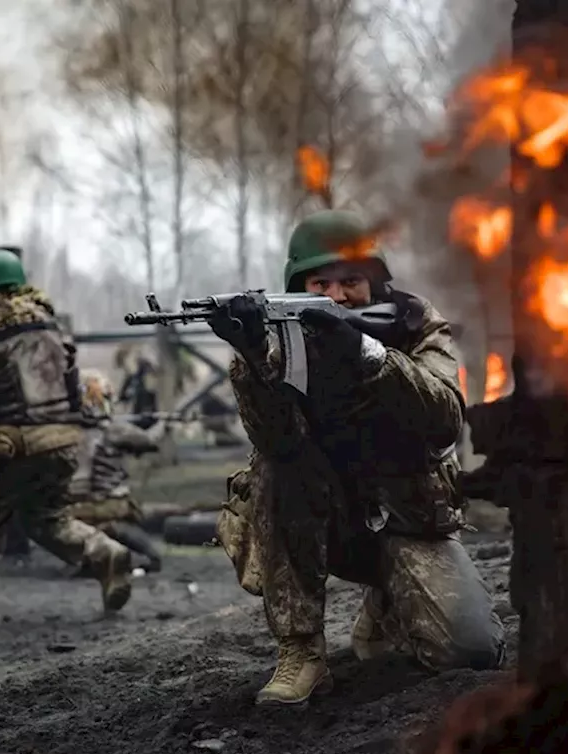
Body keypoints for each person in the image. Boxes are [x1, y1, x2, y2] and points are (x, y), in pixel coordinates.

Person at [212, 210, 506, 706]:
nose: (337, 295)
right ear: (298, 286)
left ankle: (388, 600)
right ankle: (301, 652)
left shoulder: (414, 324)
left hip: (407, 517)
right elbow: (275, 439)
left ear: (375, 281)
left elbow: (445, 419)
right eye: (320, 281)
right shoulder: (277, 340)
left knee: (472, 652)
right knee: (278, 468)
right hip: (320, 520)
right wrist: (253, 362)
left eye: (351, 280)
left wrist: (367, 352)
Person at [0, 249, 135, 629]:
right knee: (48, 519)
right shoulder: (49, 324)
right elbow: (72, 381)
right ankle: (105, 551)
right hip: (62, 441)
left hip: (9, 444)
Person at [69, 369, 163, 572]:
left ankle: (91, 559)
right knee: (123, 516)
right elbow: (150, 443)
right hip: (107, 503)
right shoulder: (115, 430)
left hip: (71, 506)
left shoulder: (62, 430)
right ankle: (147, 556)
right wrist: (159, 424)